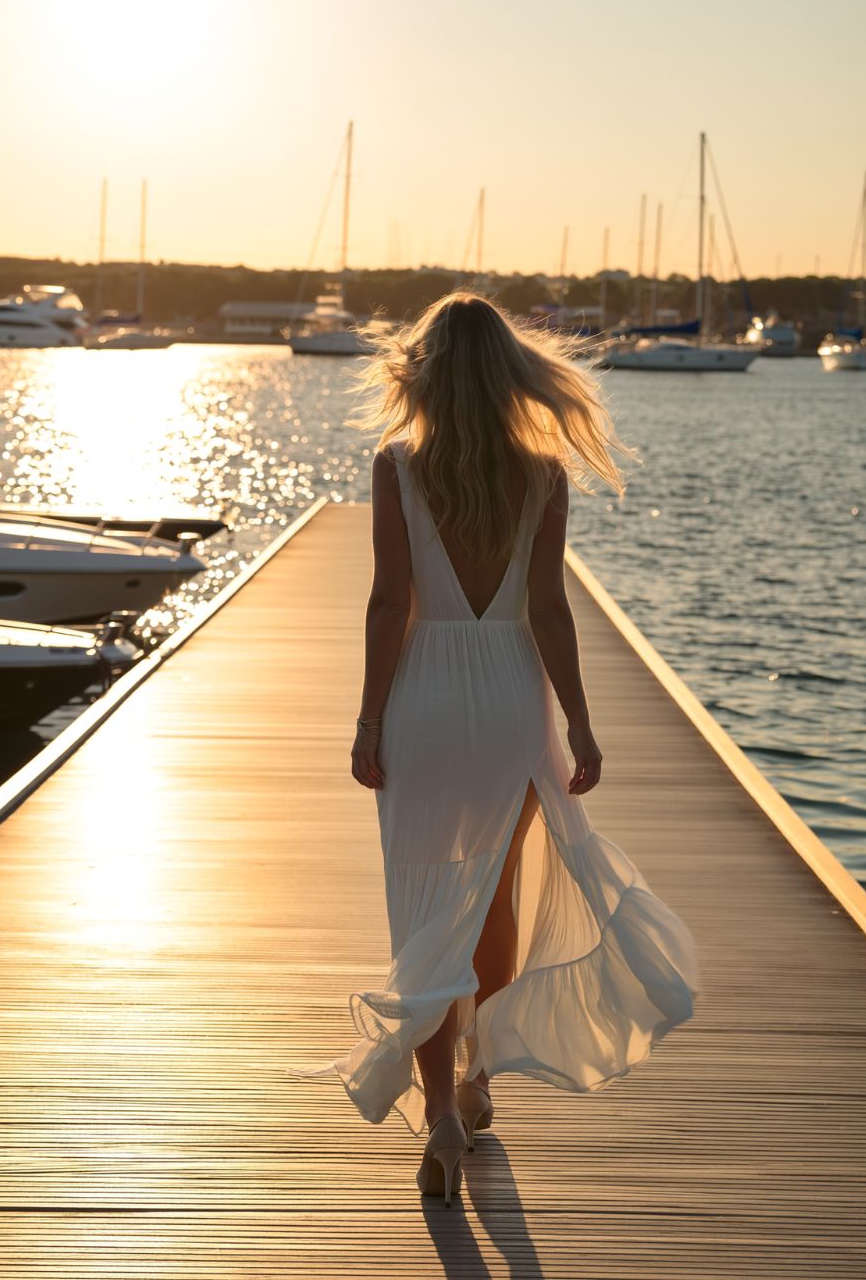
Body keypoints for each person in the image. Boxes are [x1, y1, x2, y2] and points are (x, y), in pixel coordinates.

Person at [300, 292, 701, 1206]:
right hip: (513, 704)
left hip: (425, 703)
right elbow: (551, 609)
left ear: (428, 375)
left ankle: (442, 1115)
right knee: (492, 905)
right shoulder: (542, 475)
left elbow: (386, 606)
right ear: (509, 375)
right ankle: (481, 1075)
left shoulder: (397, 466)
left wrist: (368, 722)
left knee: (426, 908)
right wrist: (583, 723)